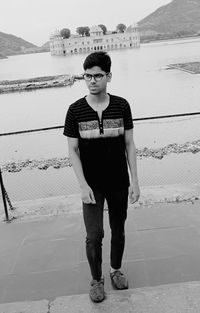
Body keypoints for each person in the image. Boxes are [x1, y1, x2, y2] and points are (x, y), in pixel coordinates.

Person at [63, 51, 140, 303]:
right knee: (94, 235)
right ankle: (97, 279)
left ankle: (115, 269)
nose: (92, 80)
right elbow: (72, 151)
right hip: (92, 186)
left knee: (118, 230)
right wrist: (82, 185)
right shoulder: (75, 110)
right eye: (87, 76)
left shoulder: (122, 105)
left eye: (97, 76)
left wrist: (135, 181)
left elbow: (129, 144)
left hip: (119, 181)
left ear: (108, 76)